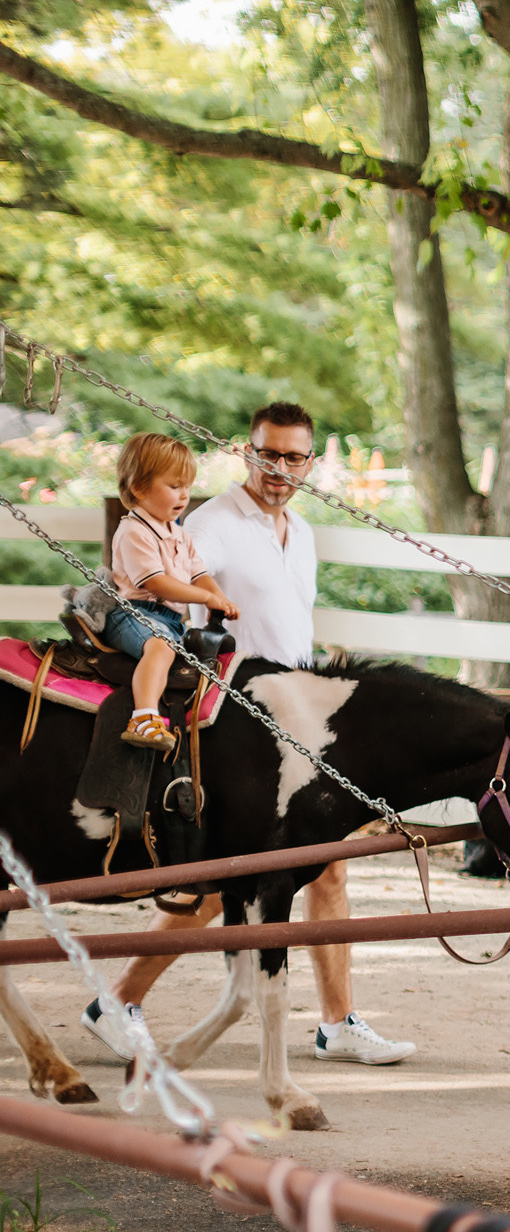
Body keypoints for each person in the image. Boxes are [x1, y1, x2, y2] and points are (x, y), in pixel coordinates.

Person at [79, 402, 416, 1069]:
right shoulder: (213, 525)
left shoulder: (301, 532)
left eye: (294, 456)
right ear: (246, 451)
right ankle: (117, 997)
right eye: (269, 453)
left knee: (327, 866)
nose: (280, 467)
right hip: (238, 718)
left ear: (311, 462)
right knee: (230, 878)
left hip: (297, 719)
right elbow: (151, 584)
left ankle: (338, 1020)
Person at [103, 434, 238, 752]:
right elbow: (155, 582)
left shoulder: (179, 533)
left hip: (170, 620)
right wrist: (205, 598)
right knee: (161, 648)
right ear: (139, 487)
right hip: (134, 613)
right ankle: (143, 717)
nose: (184, 495)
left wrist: (220, 597)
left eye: (187, 486)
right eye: (174, 486)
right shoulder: (134, 530)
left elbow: (199, 573)